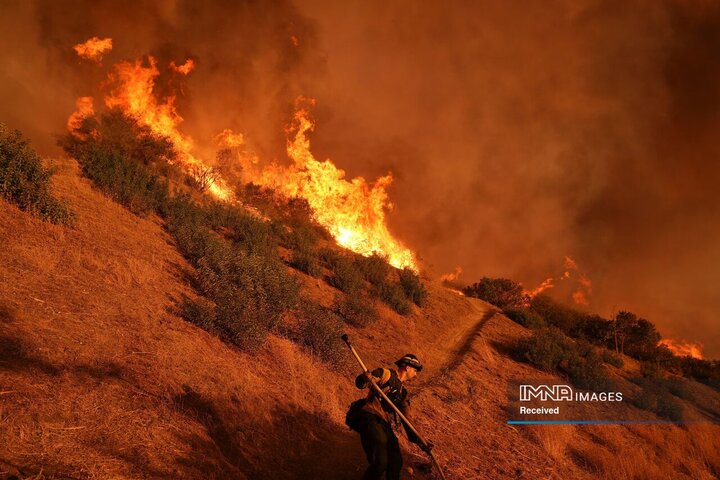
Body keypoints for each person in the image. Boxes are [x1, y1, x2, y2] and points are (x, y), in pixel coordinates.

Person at [352, 353, 430, 480]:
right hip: (371, 417)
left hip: (384, 424)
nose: (416, 374)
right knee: (380, 463)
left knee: (396, 462)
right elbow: (360, 384)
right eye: (415, 370)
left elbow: (407, 420)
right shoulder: (385, 374)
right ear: (407, 368)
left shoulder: (403, 393)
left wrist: (421, 441)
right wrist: (364, 378)